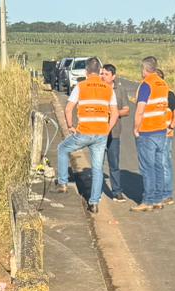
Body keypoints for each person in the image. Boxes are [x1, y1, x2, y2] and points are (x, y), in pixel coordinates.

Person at [55, 57, 116, 213]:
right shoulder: (108, 88)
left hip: (84, 131)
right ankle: (94, 203)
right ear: (100, 70)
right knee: (97, 169)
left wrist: (70, 126)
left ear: (86, 71)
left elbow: (68, 109)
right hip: (101, 133)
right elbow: (114, 113)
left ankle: (62, 183)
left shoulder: (81, 86)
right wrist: (107, 129)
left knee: (63, 149)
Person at [132, 56, 172, 212]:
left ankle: (148, 200)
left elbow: (140, 109)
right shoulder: (163, 83)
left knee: (147, 168)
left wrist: (136, 128)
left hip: (147, 131)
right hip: (161, 130)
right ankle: (158, 199)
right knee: (158, 166)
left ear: (144, 69)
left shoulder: (146, 85)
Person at [99, 64, 130, 201]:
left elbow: (126, 110)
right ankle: (96, 191)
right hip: (98, 130)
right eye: (102, 73)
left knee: (114, 163)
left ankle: (116, 191)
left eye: (106, 74)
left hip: (114, 132)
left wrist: (114, 114)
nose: (102, 76)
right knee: (97, 162)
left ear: (113, 76)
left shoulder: (120, 90)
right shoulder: (97, 88)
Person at [162, 83, 175, 205]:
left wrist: (171, 126)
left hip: (165, 134)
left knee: (164, 163)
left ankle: (167, 194)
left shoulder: (167, 94)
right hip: (154, 133)